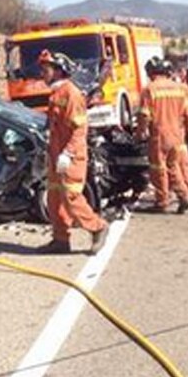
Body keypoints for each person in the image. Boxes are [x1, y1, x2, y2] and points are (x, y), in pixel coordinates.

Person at [37, 50, 109, 254]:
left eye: (46, 70)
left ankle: (98, 227)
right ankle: (60, 240)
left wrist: (67, 154)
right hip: (55, 155)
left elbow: (79, 129)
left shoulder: (71, 94)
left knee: (71, 197)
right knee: (54, 199)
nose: (42, 74)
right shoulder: (56, 93)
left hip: (71, 157)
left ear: (59, 71)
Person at [136, 57, 188, 213]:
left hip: (159, 135)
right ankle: (184, 196)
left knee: (158, 168)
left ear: (151, 72)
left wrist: (140, 132)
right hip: (177, 134)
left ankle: (162, 201)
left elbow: (144, 114)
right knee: (173, 166)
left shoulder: (150, 89)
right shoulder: (181, 88)